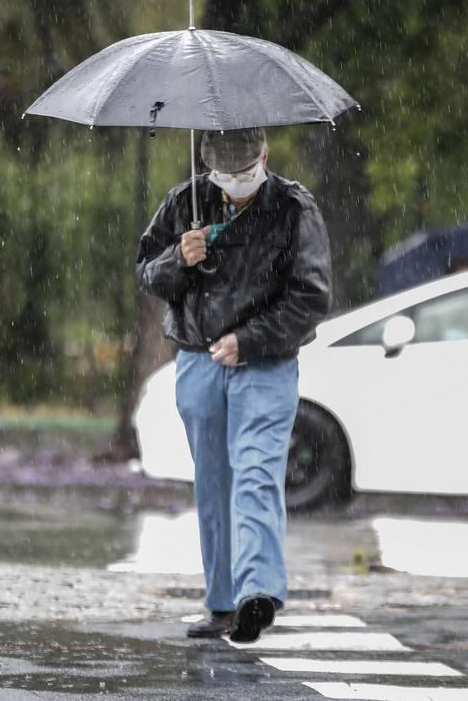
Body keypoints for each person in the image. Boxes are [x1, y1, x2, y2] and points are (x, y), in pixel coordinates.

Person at [136, 127, 332, 643]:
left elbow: (310, 297)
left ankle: (258, 594)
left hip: (264, 367)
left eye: (245, 171)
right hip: (199, 364)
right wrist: (181, 257)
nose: (237, 181)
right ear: (208, 165)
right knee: (214, 484)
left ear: (265, 155)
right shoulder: (184, 201)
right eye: (225, 174)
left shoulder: (293, 208)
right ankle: (221, 603)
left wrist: (249, 339)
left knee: (256, 474)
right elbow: (148, 274)